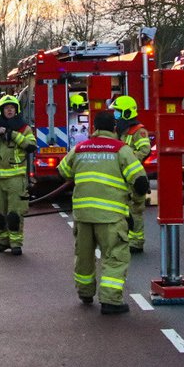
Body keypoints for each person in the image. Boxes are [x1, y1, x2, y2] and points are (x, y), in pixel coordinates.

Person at [60, 110, 148, 315]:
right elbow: (140, 181)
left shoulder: (80, 148)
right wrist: (135, 204)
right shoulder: (121, 150)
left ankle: (85, 292)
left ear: (94, 128)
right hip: (111, 216)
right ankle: (110, 301)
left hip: (82, 215)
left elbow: (63, 171)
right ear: (114, 128)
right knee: (115, 257)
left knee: (84, 256)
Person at [0, 95, 36, 254]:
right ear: (2, 110)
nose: (10, 110)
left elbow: (31, 145)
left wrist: (14, 135)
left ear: (16, 110)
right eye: (6, 108)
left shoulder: (24, 128)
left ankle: (16, 244)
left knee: (14, 215)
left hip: (16, 178)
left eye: (12, 108)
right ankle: (3, 241)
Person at [111, 94, 151, 255]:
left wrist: (126, 158)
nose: (116, 116)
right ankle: (124, 238)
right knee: (122, 210)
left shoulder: (138, 131)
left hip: (135, 177)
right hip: (122, 179)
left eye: (118, 112)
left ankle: (136, 241)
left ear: (127, 113)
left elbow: (145, 150)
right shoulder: (119, 131)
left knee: (136, 210)